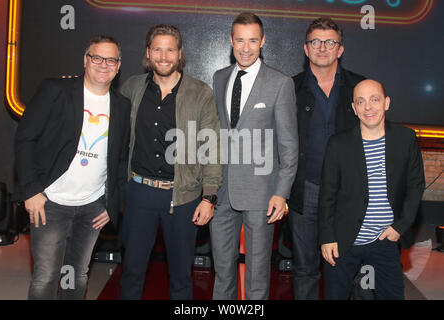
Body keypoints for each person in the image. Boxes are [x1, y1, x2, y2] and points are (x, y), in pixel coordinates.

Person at [14, 35, 131, 299]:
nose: (104, 64)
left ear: (118, 65)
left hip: (92, 207)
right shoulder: (55, 91)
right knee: (46, 277)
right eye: (97, 57)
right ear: (85, 60)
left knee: (76, 274)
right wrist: (31, 191)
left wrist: (112, 204)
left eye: (110, 59)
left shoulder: (122, 106)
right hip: (50, 203)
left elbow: (121, 160)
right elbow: (25, 139)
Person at [119, 24, 222, 300]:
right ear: (148, 53)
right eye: (157, 49)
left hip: (183, 196)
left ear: (180, 54)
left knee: (180, 277)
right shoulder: (131, 88)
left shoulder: (200, 93)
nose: (163, 56)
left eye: (170, 49)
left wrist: (209, 197)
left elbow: (210, 147)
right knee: (131, 271)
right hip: (139, 192)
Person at [210, 12, 298, 300]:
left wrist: (281, 193)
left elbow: (288, 146)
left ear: (263, 41)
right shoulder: (220, 77)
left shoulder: (280, 83)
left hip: (263, 195)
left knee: (258, 276)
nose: (245, 48)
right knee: (222, 271)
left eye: (252, 41)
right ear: (231, 41)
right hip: (222, 192)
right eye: (239, 40)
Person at [318, 79, 425, 299]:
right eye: (361, 102)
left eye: (374, 100)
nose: (368, 107)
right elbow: (327, 195)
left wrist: (400, 226)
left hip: (385, 239)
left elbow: (415, 186)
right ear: (354, 108)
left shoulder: (406, 139)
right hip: (344, 240)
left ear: (386, 103)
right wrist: (327, 237)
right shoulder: (338, 144)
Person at [286, 17, 365, 300]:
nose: (322, 48)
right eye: (315, 42)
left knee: (349, 268)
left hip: (348, 194)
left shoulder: (360, 88)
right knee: (305, 268)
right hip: (304, 189)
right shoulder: (288, 89)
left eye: (330, 42)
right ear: (306, 49)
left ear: (340, 49)